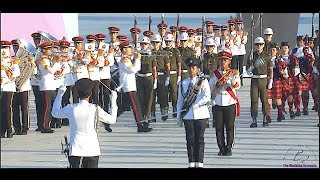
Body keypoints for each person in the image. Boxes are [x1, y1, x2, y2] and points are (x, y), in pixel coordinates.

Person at [51, 78, 118, 168]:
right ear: (90, 94)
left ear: (77, 94)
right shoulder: (95, 109)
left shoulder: (71, 108)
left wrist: (60, 94)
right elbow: (112, 120)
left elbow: (55, 113)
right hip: (92, 148)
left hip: (75, 149)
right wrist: (113, 101)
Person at [176, 57, 211, 168]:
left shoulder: (203, 81)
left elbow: (207, 96)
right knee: (190, 139)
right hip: (188, 115)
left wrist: (198, 103)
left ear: (197, 69)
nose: (191, 70)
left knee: (199, 139)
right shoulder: (183, 83)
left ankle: (199, 162)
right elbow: (180, 100)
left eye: (193, 68)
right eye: (189, 68)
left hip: (201, 114)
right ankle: (191, 161)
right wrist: (178, 116)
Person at [209, 49, 240, 156]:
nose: (223, 62)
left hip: (230, 102)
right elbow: (211, 88)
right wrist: (218, 84)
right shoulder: (214, 74)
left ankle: (229, 147)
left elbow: (237, 85)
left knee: (230, 127)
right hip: (218, 103)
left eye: (225, 60)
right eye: (221, 60)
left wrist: (234, 77)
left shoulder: (232, 73)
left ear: (229, 61)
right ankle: (221, 147)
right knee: (218, 127)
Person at [246, 37, 273, 128]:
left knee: (264, 101)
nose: (259, 46)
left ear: (263, 45)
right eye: (257, 44)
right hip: (254, 80)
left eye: (260, 44)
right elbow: (248, 69)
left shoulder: (267, 56)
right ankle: (254, 119)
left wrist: (271, 80)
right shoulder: (251, 56)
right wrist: (252, 67)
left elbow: (270, 69)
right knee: (254, 101)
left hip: (264, 79)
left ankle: (265, 117)